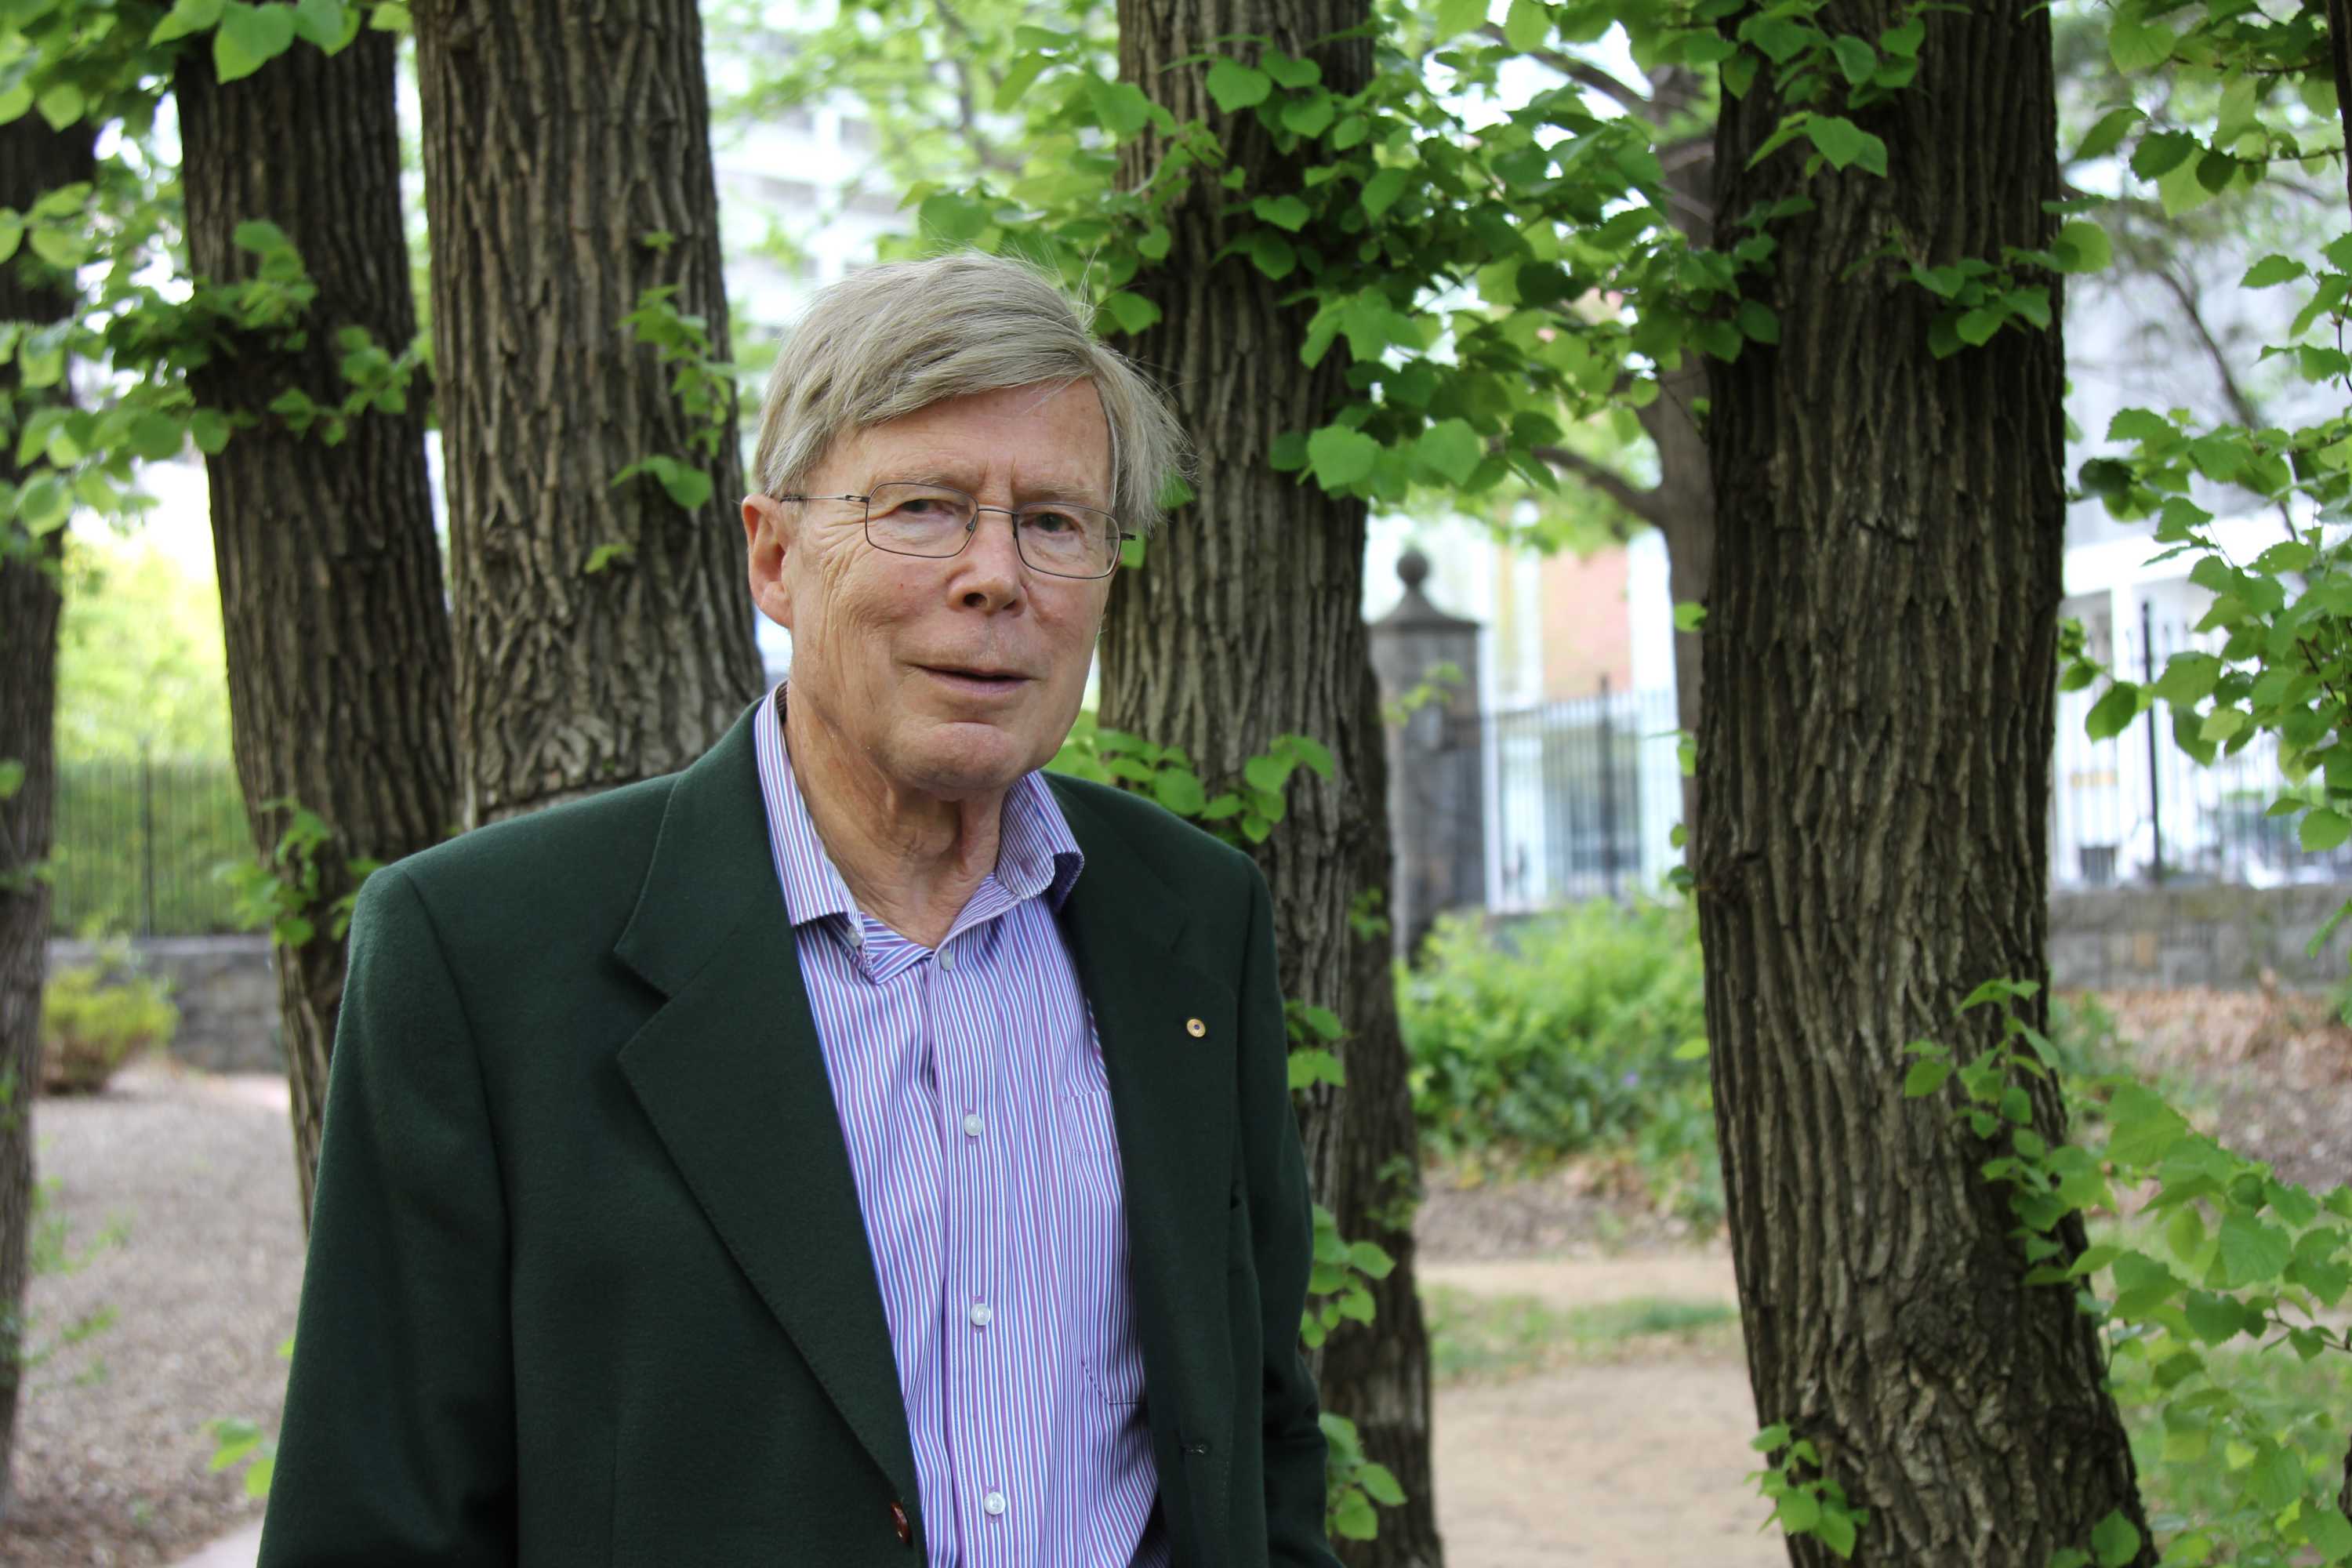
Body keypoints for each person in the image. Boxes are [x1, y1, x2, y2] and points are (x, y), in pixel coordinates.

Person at [256, 252, 1342, 1568]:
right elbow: (373, 1523)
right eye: (927, 509)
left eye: (1055, 522)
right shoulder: (483, 955)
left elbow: (1259, 1431)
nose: (997, 575)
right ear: (773, 558)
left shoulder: (1190, 916)